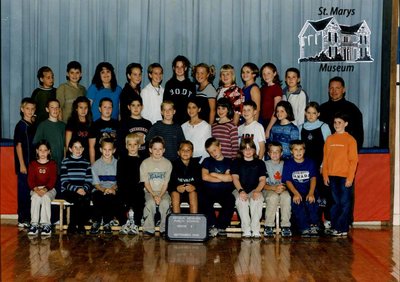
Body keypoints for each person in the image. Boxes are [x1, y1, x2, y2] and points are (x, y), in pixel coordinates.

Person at [322, 112, 358, 237]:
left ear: (346, 124)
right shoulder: (330, 139)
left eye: (340, 123)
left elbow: (354, 161)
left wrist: (350, 178)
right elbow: (325, 159)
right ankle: (336, 226)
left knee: (344, 202)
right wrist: (325, 175)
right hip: (332, 176)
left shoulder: (350, 140)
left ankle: (342, 228)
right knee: (334, 203)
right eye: (335, 123)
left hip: (344, 177)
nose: (337, 125)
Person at [299, 102, 331, 229]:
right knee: (308, 193)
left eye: (314, 113)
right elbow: (298, 149)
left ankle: (326, 219)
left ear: (318, 114)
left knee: (322, 193)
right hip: (306, 167)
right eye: (308, 113)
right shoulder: (301, 127)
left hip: (320, 166)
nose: (311, 116)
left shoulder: (324, 126)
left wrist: (323, 165)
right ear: (305, 114)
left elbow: (328, 149)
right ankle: (311, 220)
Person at [282, 140, 319, 237]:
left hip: (308, 190)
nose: (298, 152)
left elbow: (313, 178)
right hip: (295, 191)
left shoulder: (310, 162)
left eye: (301, 149)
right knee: (297, 203)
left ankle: (314, 225)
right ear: (291, 151)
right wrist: (295, 193)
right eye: (295, 150)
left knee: (311, 202)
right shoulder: (288, 163)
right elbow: (288, 181)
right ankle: (304, 228)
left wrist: (311, 193)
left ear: (304, 151)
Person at [231, 138, 266, 238]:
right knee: (241, 200)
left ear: (255, 150)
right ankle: (246, 229)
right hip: (239, 189)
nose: (248, 151)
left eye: (250, 148)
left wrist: (257, 191)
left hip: (255, 189)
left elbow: (262, 180)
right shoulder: (236, 162)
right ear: (241, 150)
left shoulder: (260, 163)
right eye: (245, 149)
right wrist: (241, 191)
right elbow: (235, 178)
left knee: (257, 199)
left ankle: (255, 229)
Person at [201, 137, 235, 237]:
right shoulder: (207, 161)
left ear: (220, 146)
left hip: (224, 192)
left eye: (215, 150)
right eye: (211, 152)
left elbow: (230, 178)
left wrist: (214, 174)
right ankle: (211, 225)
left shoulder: (229, 162)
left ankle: (221, 226)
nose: (214, 153)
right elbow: (205, 177)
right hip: (209, 191)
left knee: (230, 200)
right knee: (203, 199)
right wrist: (222, 177)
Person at [140, 136, 173, 236]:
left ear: (164, 150)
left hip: (163, 191)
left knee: (165, 203)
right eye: (155, 149)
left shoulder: (167, 163)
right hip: (149, 191)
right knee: (150, 203)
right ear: (150, 150)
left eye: (160, 149)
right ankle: (149, 228)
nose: (157, 151)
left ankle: (164, 228)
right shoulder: (145, 163)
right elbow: (146, 183)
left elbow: (165, 183)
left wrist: (160, 195)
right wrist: (154, 195)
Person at [319, 76, 364, 149]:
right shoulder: (321, 109)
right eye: (331, 88)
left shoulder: (353, 110)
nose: (334, 91)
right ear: (328, 90)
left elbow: (358, 137)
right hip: (325, 154)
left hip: (344, 153)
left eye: (337, 88)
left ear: (343, 90)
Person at [60, 137, 92, 234]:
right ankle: (74, 224)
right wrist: (76, 189)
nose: (78, 150)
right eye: (75, 147)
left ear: (83, 149)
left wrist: (84, 189)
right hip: (68, 190)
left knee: (85, 198)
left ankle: (80, 224)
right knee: (78, 198)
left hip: (82, 190)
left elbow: (89, 180)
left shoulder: (86, 162)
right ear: (70, 149)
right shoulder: (65, 162)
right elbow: (64, 181)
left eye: (80, 147)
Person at [14, 98, 36, 228]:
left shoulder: (32, 124)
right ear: (22, 109)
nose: (30, 111)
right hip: (24, 165)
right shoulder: (20, 125)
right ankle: (22, 218)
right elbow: (18, 145)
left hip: (32, 165)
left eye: (32, 109)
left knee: (30, 192)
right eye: (27, 108)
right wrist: (22, 164)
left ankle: (30, 217)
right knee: (23, 192)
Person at [27, 140, 57, 236]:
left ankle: (46, 225)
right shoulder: (33, 164)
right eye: (40, 150)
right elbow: (30, 180)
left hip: (49, 189)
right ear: (37, 151)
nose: (43, 152)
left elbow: (53, 180)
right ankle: (34, 225)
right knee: (35, 197)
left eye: (45, 150)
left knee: (45, 197)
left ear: (49, 151)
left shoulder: (52, 164)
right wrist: (36, 190)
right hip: (35, 189)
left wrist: (44, 190)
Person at [117, 133, 145, 235]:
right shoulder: (121, 161)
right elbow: (119, 178)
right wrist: (123, 188)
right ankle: (124, 223)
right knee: (120, 198)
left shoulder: (142, 161)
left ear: (139, 146)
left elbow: (143, 178)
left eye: (135, 144)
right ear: (126, 146)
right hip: (124, 188)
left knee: (139, 198)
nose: (132, 147)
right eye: (130, 145)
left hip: (137, 188)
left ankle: (136, 224)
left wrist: (140, 186)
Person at [90, 138, 119, 235]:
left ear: (114, 150)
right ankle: (96, 222)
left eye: (109, 150)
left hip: (112, 189)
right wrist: (104, 189)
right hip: (99, 189)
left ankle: (107, 222)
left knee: (110, 198)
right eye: (105, 149)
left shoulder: (117, 164)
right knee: (98, 197)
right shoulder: (96, 165)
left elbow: (119, 181)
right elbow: (96, 183)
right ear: (101, 150)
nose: (107, 152)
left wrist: (112, 189)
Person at [263, 142, 292, 237]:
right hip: (268, 189)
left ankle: (285, 226)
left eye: (277, 151)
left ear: (282, 153)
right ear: (268, 153)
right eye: (272, 152)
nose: (275, 154)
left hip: (282, 188)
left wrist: (283, 187)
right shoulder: (264, 164)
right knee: (273, 197)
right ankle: (269, 225)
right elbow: (261, 184)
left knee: (287, 197)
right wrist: (273, 188)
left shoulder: (286, 164)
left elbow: (289, 181)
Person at [33, 98, 66, 173]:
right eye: (52, 107)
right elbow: (37, 144)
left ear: (60, 109)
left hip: (60, 163)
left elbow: (65, 145)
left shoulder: (63, 126)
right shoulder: (42, 125)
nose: (55, 110)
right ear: (47, 109)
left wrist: (64, 158)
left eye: (57, 107)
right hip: (46, 163)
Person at [169, 141, 202, 214]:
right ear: (178, 152)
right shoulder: (172, 165)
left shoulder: (197, 166)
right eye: (183, 150)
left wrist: (195, 187)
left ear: (192, 153)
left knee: (193, 194)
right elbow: (169, 183)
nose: (185, 152)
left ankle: (194, 220)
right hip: (178, 192)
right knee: (174, 194)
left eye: (188, 150)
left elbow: (201, 182)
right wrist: (176, 188)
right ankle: (177, 221)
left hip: (191, 192)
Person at [163, 55, 196, 125]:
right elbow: (165, 104)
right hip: (172, 121)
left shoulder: (191, 85)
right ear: (174, 68)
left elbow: (193, 105)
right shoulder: (169, 84)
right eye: (177, 67)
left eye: (182, 67)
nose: (179, 69)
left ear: (186, 68)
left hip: (187, 122)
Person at [88, 97, 118, 164]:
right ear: (100, 109)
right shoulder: (94, 125)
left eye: (109, 107)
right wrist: (93, 164)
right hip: (99, 162)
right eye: (105, 107)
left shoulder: (117, 124)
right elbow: (91, 147)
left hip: (114, 162)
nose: (107, 110)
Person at [181, 98, 212, 163]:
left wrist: (202, 162)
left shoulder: (206, 126)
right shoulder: (183, 126)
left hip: (201, 160)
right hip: (187, 160)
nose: (191, 110)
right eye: (189, 107)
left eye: (194, 107)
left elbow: (208, 146)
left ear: (199, 109)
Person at [65, 96, 93, 161]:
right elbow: (67, 144)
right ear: (76, 108)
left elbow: (92, 146)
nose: (83, 110)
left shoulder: (91, 124)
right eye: (81, 107)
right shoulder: (71, 122)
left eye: (86, 108)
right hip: (73, 157)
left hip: (86, 158)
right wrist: (68, 158)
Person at [259, 63, 283, 137]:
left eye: (269, 73)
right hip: (262, 121)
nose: (266, 76)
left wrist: (268, 129)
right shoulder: (262, 89)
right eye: (264, 74)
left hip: (272, 122)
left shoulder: (276, 89)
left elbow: (276, 111)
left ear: (274, 73)